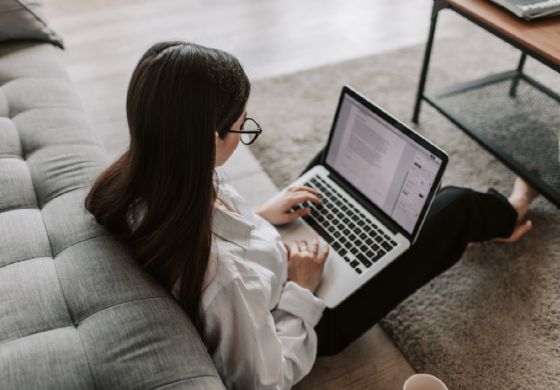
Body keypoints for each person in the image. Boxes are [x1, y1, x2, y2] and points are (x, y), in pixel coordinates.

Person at [85, 41, 539, 389]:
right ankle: (510, 215)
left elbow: (217, 235)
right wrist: (301, 290)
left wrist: (260, 217)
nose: (246, 129)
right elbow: (267, 379)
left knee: (334, 168)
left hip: (272, 260)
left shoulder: (150, 176)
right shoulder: (224, 280)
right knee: (454, 206)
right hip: (309, 316)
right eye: (243, 126)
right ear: (208, 137)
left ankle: (407, 213)